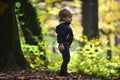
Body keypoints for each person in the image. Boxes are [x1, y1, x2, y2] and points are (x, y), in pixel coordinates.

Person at [55, 7, 74, 77]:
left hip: (66, 45)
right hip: (63, 45)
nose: (71, 18)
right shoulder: (62, 26)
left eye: (71, 17)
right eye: (69, 17)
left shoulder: (66, 25)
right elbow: (60, 36)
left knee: (66, 58)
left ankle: (63, 72)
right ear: (63, 18)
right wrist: (61, 44)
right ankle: (63, 72)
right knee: (66, 58)